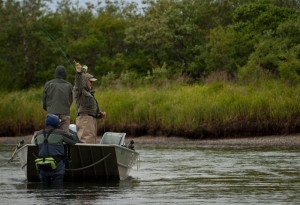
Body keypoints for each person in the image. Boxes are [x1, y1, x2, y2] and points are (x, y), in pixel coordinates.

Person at [33, 114, 77, 187]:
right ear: (56, 123)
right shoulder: (60, 133)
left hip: (42, 166)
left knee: (44, 190)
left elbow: (36, 143)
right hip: (57, 167)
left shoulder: (38, 134)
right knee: (57, 191)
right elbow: (73, 141)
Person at [73, 62, 106, 144]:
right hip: (85, 120)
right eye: (90, 81)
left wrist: (99, 114)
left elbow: (90, 108)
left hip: (91, 120)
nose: (92, 83)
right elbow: (78, 83)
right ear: (85, 81)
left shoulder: (89, 93)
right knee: (87, 142)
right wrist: (79, 72)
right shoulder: (80, 90)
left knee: (91, 141)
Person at [43, 65, 73, 132]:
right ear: (64, 74)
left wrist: (48, 108)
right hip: (65, 113)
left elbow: (44, 100)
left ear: (55, 73)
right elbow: (71, 100)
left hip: (51, 114)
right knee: (65, 136)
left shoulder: (48, 84)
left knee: (51, 134)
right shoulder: (69, 85)